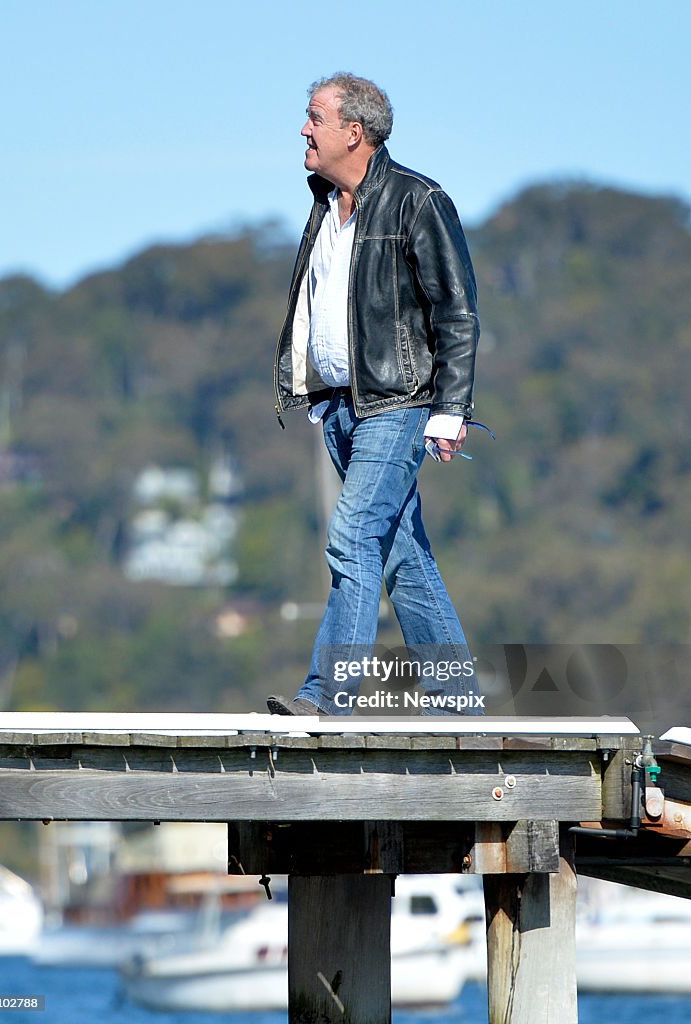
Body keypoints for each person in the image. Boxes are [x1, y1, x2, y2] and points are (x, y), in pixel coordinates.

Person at [268, 72, 483, 717]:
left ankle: (328, 698)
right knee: (400, 557)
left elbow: (458, 313)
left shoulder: (419, 201)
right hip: (337, 408)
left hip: (398, 405)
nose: (303, 129)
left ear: (353, 132)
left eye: (314, 117)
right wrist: (309, 386)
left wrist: (452, 410)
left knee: (354, 538)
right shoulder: (321, 205)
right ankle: (459, 705)